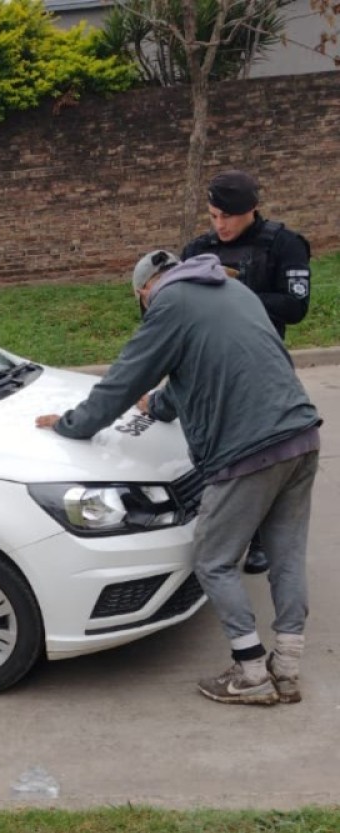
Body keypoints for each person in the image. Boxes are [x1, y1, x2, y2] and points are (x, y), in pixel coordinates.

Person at [35, 250, 320, 706]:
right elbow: (217, 363)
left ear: (145, 290)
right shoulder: (233, 290)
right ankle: (286, 667)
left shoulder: (168, 303)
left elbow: (123, 380)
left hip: (249, 451)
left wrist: (72, 424)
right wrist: (162, 405)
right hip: (301, 435)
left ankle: (250, 673)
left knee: (213, 559)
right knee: (286, 556)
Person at [182, 170, 312, 575]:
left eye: (229, 217)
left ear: (252, 210)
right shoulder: (198, 249)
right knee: (214, 452)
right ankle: (223, 528)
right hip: (211, 368)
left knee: (262, 455)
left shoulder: (283, 245)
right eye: (214, 215)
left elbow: (296, 307)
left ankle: (260, 540)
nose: (220, 226)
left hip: (263, 367)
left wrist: (236, 291)